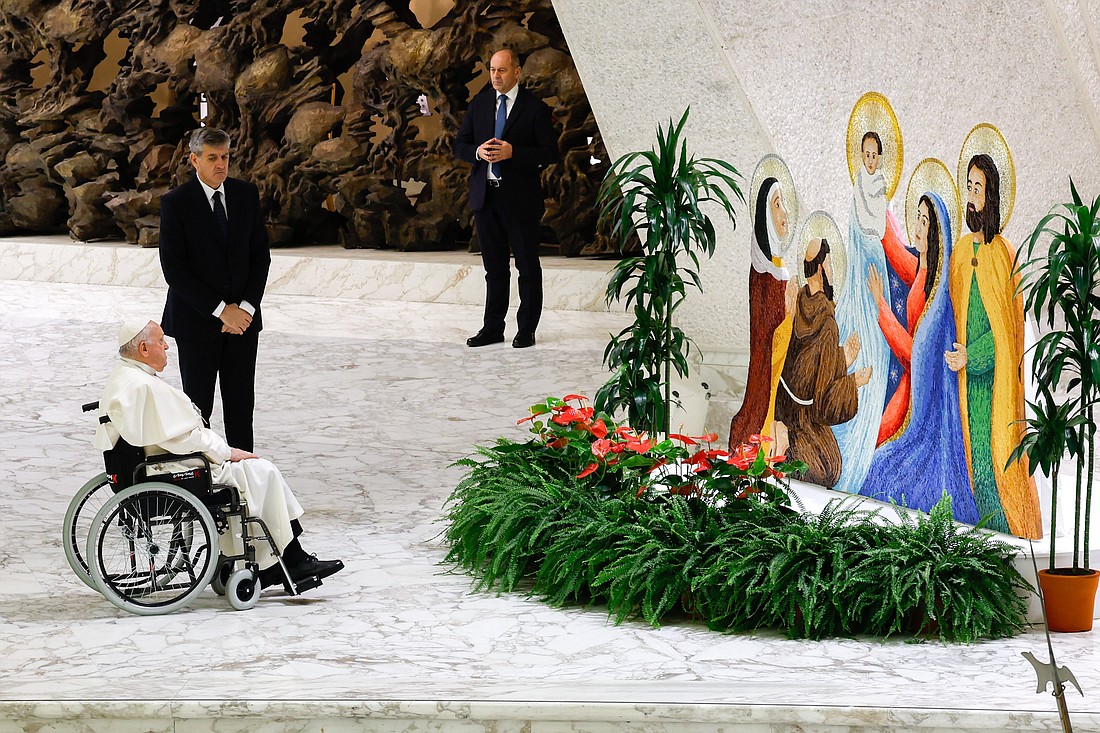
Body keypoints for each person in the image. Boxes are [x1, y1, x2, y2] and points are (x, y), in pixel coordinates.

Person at [93, 320, 344, 591]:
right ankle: (288, 562)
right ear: (143, 348)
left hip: (157, 464)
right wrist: (227, 451)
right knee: (262, 470)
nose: (167, 345)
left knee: (257, 472)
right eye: (161, 340)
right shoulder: (142, 385)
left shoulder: (125, 376)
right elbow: (185, 438)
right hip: (175, 467)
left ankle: (283, 560)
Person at [860, 192, 978, 524]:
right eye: (917, 218)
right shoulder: (925, 271)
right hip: (911, 386)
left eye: (925, 222)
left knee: (881, 465)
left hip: (921, 396)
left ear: (937, 234)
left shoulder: (938, 296)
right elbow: (898, 253)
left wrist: (881, 306)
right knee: (876, 443)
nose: (918, 227)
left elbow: (916, 354)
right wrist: (876, 205)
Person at [945, 154, 1041, 538]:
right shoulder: (959, 252)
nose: (971, 195)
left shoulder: (1003, 255)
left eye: (978, 188)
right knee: (969, 466)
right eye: (968, 186)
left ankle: (1004, 540)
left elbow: (1007, 332)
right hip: (963, 383)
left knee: (990, 469)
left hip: (992, 385)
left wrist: (974, 355)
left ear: (992, 196)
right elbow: (950, 311)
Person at [159, 127, 270, 451]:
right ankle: (200, 479)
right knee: (198, 409)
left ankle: (247, 480)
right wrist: (224, 310)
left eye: (225, 157)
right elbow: (175, 271)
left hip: (243, 326)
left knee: (240, 407)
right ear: (194, 160)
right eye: (212, 158)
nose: (221, 164)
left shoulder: (245, 195)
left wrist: (245, 310)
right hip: (197, 323)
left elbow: (260, 257)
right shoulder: (176, 203)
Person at [453, 48, 558, 349]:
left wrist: (515, 153)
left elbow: (550, 152)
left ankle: (526, 329)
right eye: (492, 70)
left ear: (517, 72)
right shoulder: (480, 104)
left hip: (520, 199)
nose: (495, 76)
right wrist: (476, 153)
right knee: (494, 269)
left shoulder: (535, 108)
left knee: (527, 267)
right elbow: (460, 144)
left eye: (502, 70)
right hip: (485, 197)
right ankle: (492, 328)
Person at [831, 131, 903, 494]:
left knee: (875, 354)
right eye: (866, 154)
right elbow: (854, 237)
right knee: (850, 342)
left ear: (881, 158)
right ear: (859, 156)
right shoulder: (856, 192)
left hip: (877, 282)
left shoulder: (884, 199)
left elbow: (889, 245)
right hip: (857, 282)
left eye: (875, 155)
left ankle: (865, 434)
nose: (870, 160)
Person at [774, 238, 872, 487]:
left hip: (784, 405)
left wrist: (842, 358)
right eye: (828, 265)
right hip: (805, 415)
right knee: (829, 468)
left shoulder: (799, 302)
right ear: (820, 269)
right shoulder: (827, 323)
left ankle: (786, 437)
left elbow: (808, 363)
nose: (831, 271)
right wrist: (852, 382)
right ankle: (788, 441)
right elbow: (824, 399)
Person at [728, 177, 796, 449]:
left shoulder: (779, 265)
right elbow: (766, 328)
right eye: (777, 205)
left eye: (784, 205)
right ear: (765, 216)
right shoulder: (763, 270)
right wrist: (788, 310)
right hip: (767, 368)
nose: (784, 214)